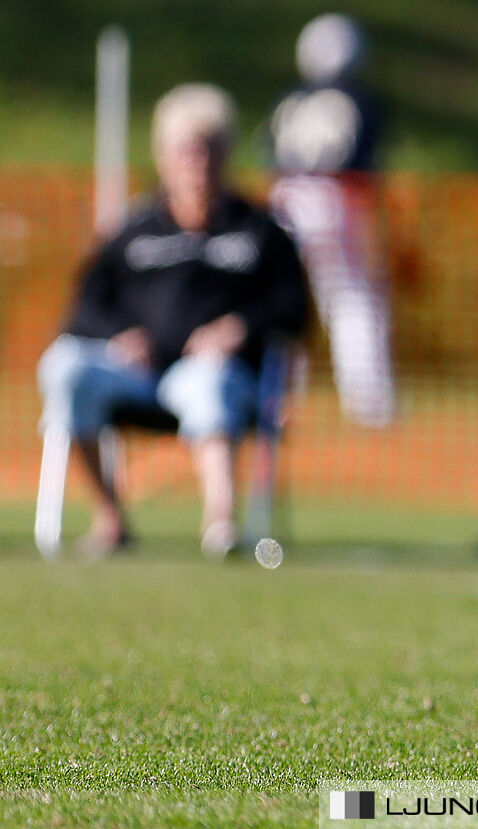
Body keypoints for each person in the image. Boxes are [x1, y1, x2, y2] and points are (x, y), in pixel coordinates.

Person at [37, 84, 309, 557]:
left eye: (210, 148)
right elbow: (84, 306)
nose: (198, 161)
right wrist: (118, 336)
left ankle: (220, 525)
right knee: (64, 368)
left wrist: (239, 327)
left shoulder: (259, 231)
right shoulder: (136, 229)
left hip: (217, 375)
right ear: (164, 156)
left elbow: (293, 306)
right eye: (186, 150)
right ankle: (110, 518)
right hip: (135, 375)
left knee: (210, 381)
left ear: (227, 154)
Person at [267, 13, 394, 428]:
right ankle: (368, 402)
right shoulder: (358, 100)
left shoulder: (290, 100)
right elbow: (367, 166)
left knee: (287, 299)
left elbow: (272, 154)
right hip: (335, 199)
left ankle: (279, 391)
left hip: (287, 198)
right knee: (351, 300)